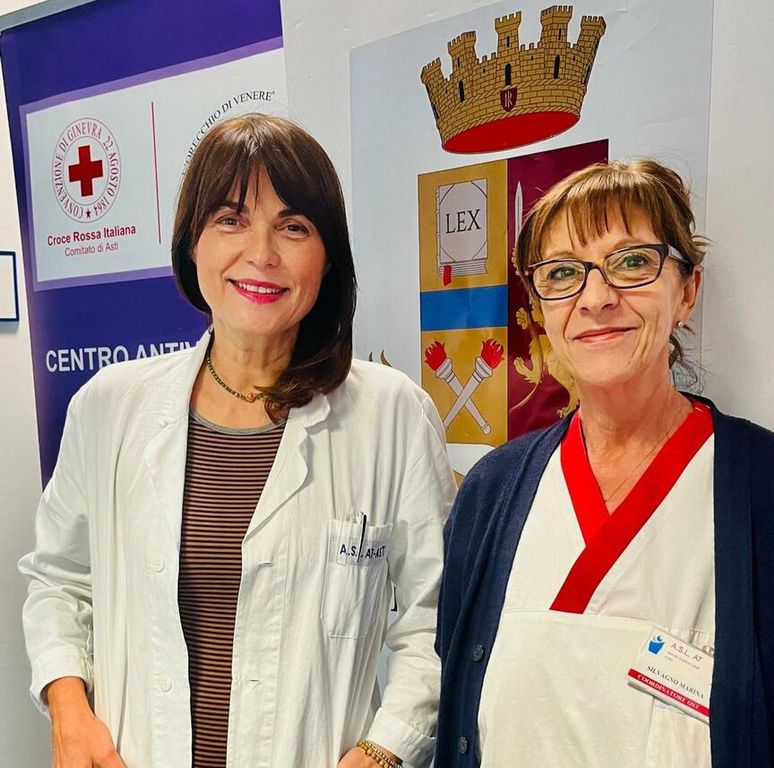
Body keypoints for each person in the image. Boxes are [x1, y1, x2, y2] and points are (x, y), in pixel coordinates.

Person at [20, 113, 456, 768]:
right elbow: (59, 579)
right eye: (231, 219)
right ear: (191, 243)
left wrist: (382, 751)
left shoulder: (392, 416)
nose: (262, 253)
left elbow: (435, 619)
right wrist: (68, 710)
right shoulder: (110, 406)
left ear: (328, 257)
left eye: (293, 226)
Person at [434, 159, 774, 767]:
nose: (596, 298)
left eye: (631, 262)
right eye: (562, 272)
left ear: (688, 292)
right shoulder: (492, 492)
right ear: (540, 308)